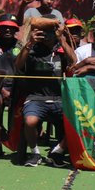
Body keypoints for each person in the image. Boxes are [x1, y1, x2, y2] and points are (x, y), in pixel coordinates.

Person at [15, 18, 75, 166]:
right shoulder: (32, 50)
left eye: (50, 33)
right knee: (30, 122)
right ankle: (35, 153)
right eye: (44, 33)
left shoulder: (60, 50)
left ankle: (58, 151)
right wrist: (30, 43)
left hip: (59, 99)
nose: (47, 36)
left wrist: (61, 38)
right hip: (36, 97)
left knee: (76, 121)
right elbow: (18, 65)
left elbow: (73, 61)